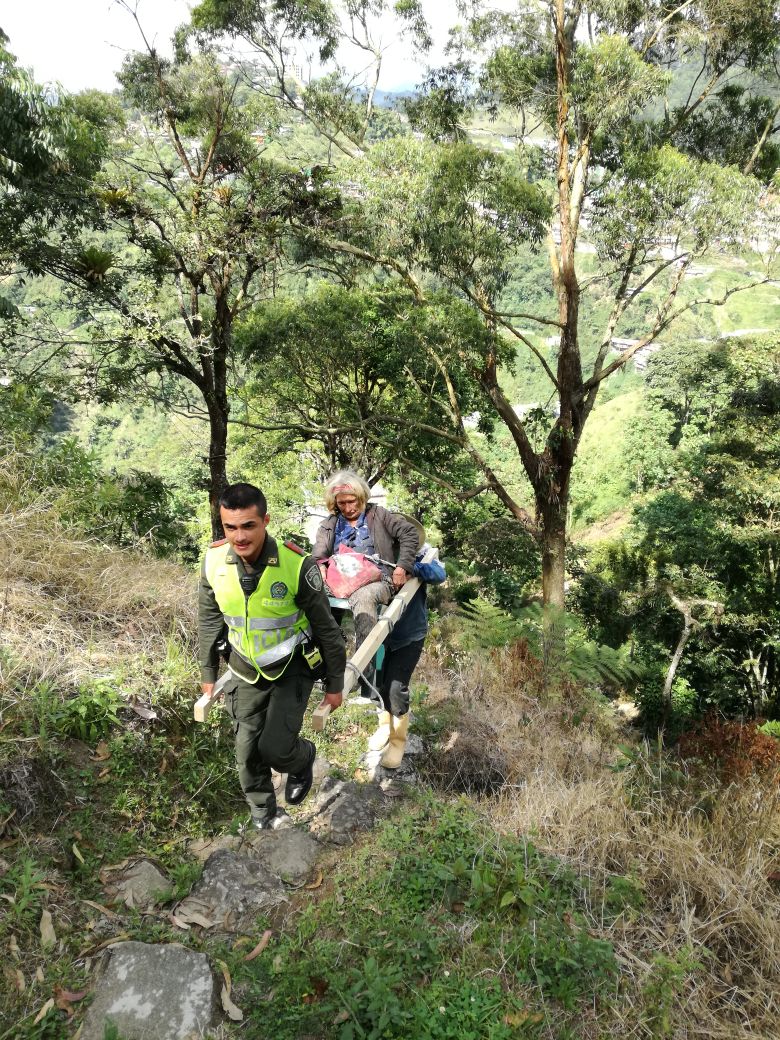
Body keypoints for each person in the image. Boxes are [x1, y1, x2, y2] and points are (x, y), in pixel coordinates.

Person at [199, 482, 346, 830]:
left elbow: (327, 628)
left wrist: (335, 684)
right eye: (230, 527)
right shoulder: (212, 562)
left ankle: (301, 759)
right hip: (243, 669)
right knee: (246, 752)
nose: (239, 536)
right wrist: (208, 672)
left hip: (292, 667)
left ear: (265, 521)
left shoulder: (296, 565)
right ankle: (264, 813)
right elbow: (208, 619)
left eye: (248, 525)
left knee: (276, 749)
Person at [312, 470, 420, 665]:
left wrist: (402, 567)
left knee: (363, 597)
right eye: (341, 503)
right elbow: (318, 555)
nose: (347, 507)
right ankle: (326, 661)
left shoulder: (379, 515)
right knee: (308, 592)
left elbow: (410, 533)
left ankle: (363, 668)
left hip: (378, 579)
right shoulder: (329, 524)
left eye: (352, 501)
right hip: (341, 580)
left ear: (361, 497)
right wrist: (321, 567)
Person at [367, 549, 447, 768]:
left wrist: (412, 567)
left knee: (396, 687)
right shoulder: (378, 553)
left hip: (410, 636)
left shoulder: (422, 555)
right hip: (380, 635)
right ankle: (384, 726)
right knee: (377, 682)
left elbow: (440, 575)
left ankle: (398, 742)